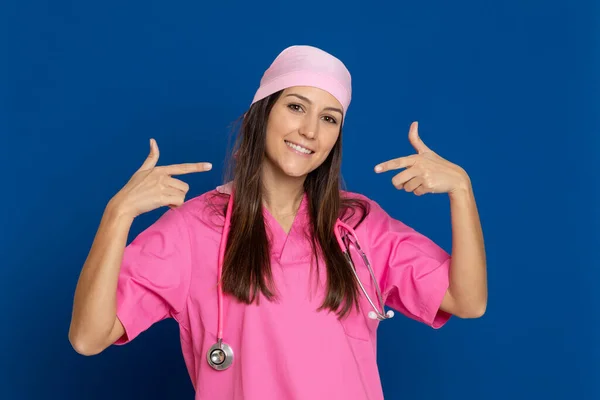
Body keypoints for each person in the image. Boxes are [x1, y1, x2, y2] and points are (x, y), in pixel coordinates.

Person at [68, 45, 487, 399]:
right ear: (262, 113)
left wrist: (462, 192)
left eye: (328, 118)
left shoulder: (357, 224)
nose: (308, 130)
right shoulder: (193, 229)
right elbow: (88, 337)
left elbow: (466, 300)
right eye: (295, 107)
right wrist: (117, 215)